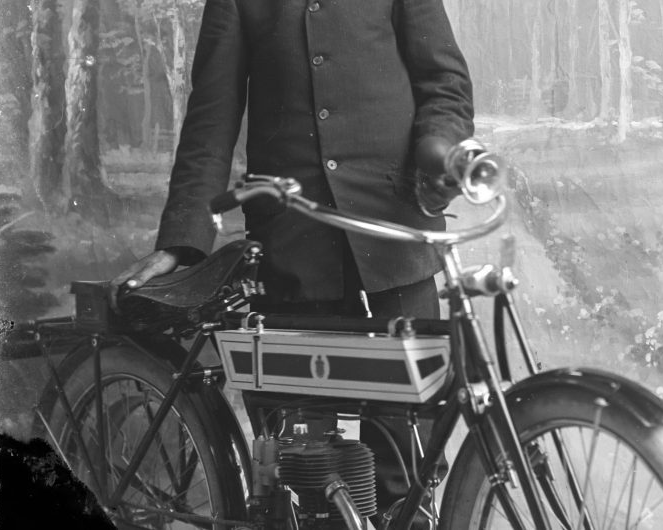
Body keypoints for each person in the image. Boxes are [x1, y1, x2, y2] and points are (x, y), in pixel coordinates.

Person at [109, 0, 473, 525]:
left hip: (394, 237)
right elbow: (212, 118)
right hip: (294, 248)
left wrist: (439, 149)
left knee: (407, 470)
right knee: (308, 468)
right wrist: (181, 242)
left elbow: (445, 83)